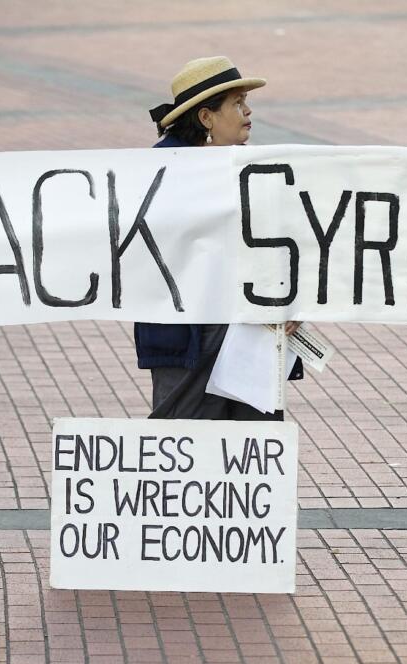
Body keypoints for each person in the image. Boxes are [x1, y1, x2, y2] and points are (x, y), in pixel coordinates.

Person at [135, 56, 302, 420]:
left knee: (254, 454)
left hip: (250, 331)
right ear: (207, 118)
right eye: (237, 103)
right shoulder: (156, 173)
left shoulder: (254, 168)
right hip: (186, 337)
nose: (248, 111)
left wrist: (289, 300)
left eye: (245, 101)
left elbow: (282, 244)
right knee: (184, 451)